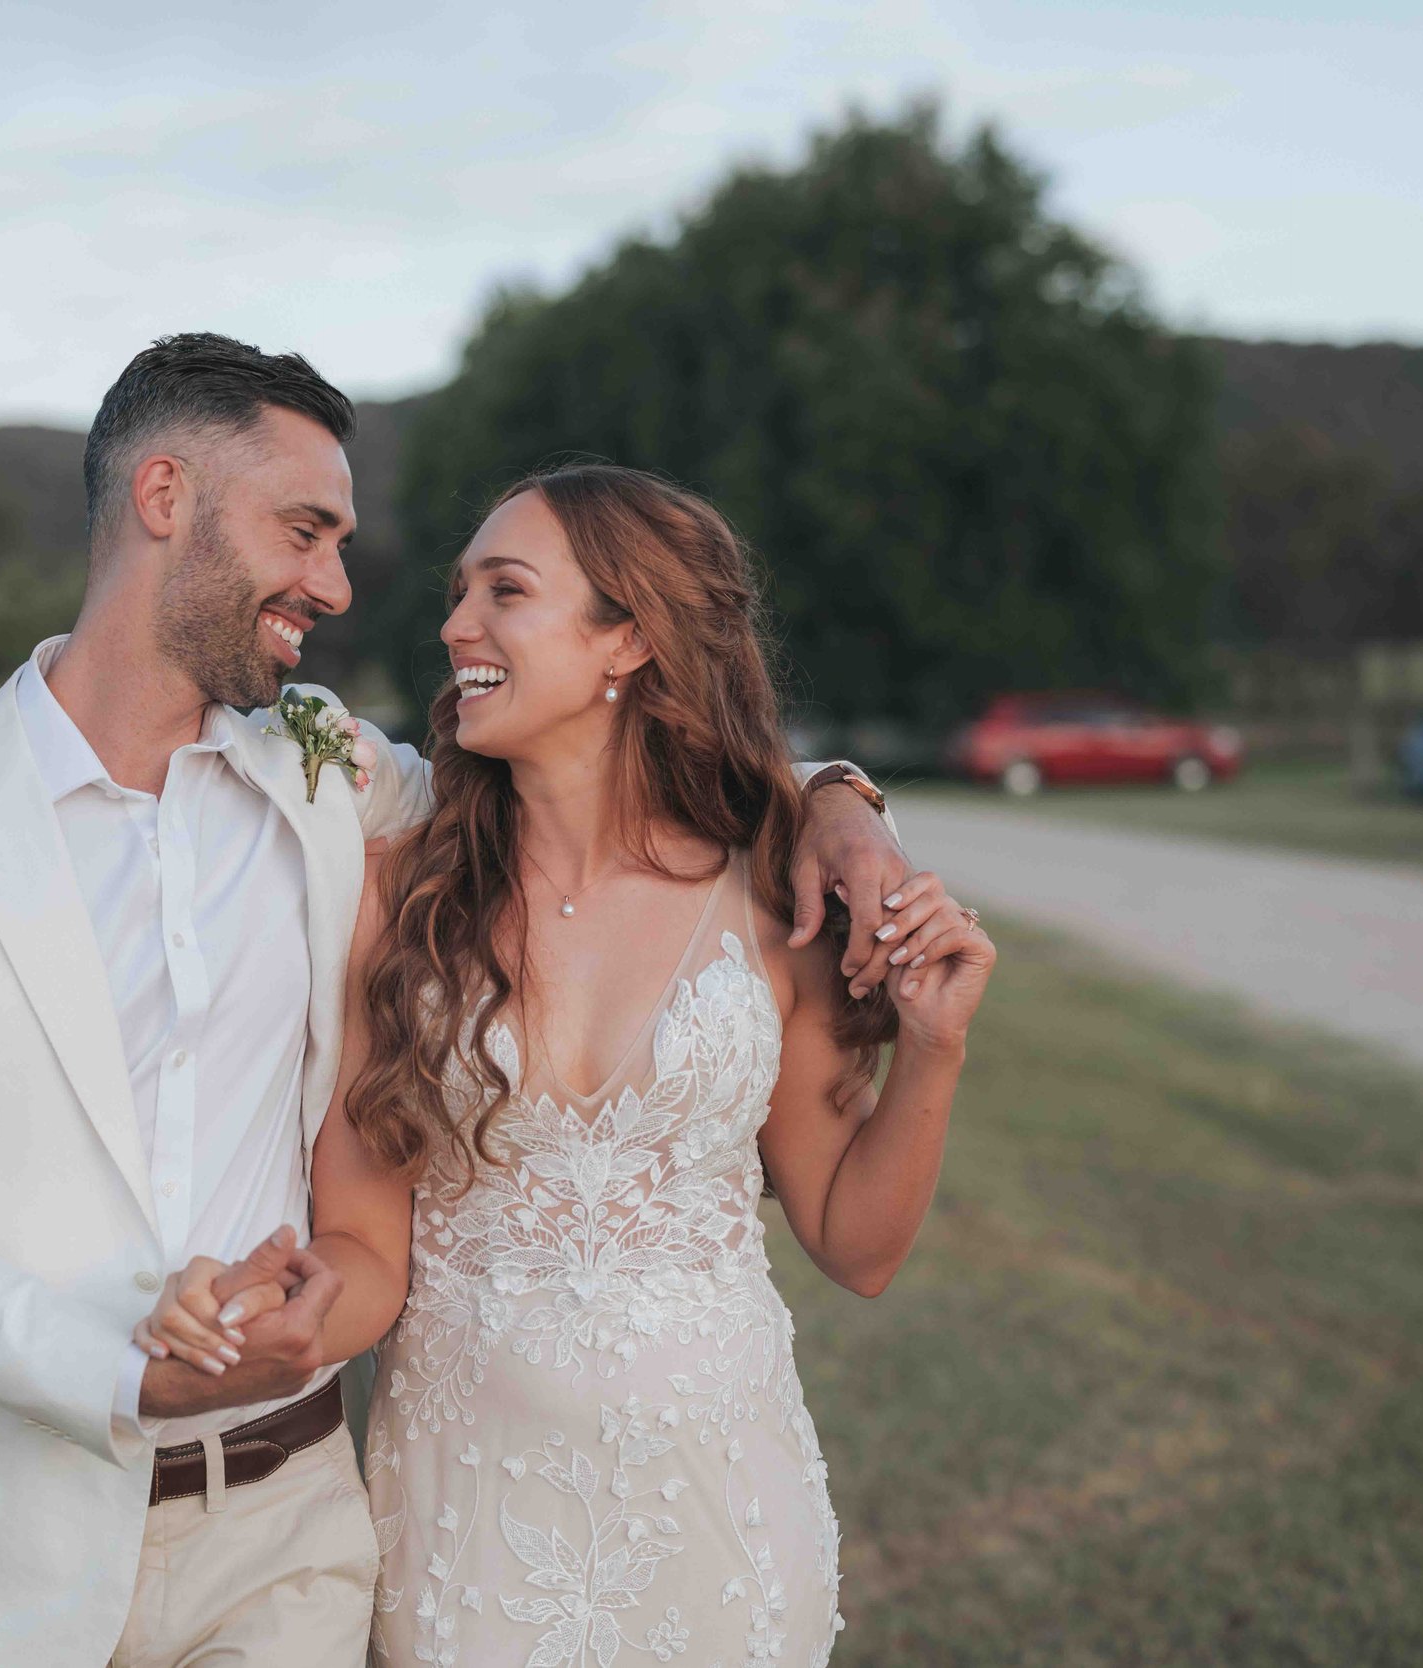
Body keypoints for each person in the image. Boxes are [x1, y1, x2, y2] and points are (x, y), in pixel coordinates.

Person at [0, 336, 923, 1667]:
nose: (334, 584)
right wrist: (128, 1376)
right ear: (163, 499)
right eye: (305, 532)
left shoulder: (325, 781)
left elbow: (603, 783)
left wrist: (835, 800)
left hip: (288, 1546)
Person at [137, 465, 995, 1666]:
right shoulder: (401, 890)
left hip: (722, 1518)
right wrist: (293, 1308)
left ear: (627, 639)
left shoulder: (771, 898)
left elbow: (857, 1244)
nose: (453, 625)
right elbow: (368, 1246)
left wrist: (934, 1049)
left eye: (505, 590)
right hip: (466, 1523)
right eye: (457, 591)